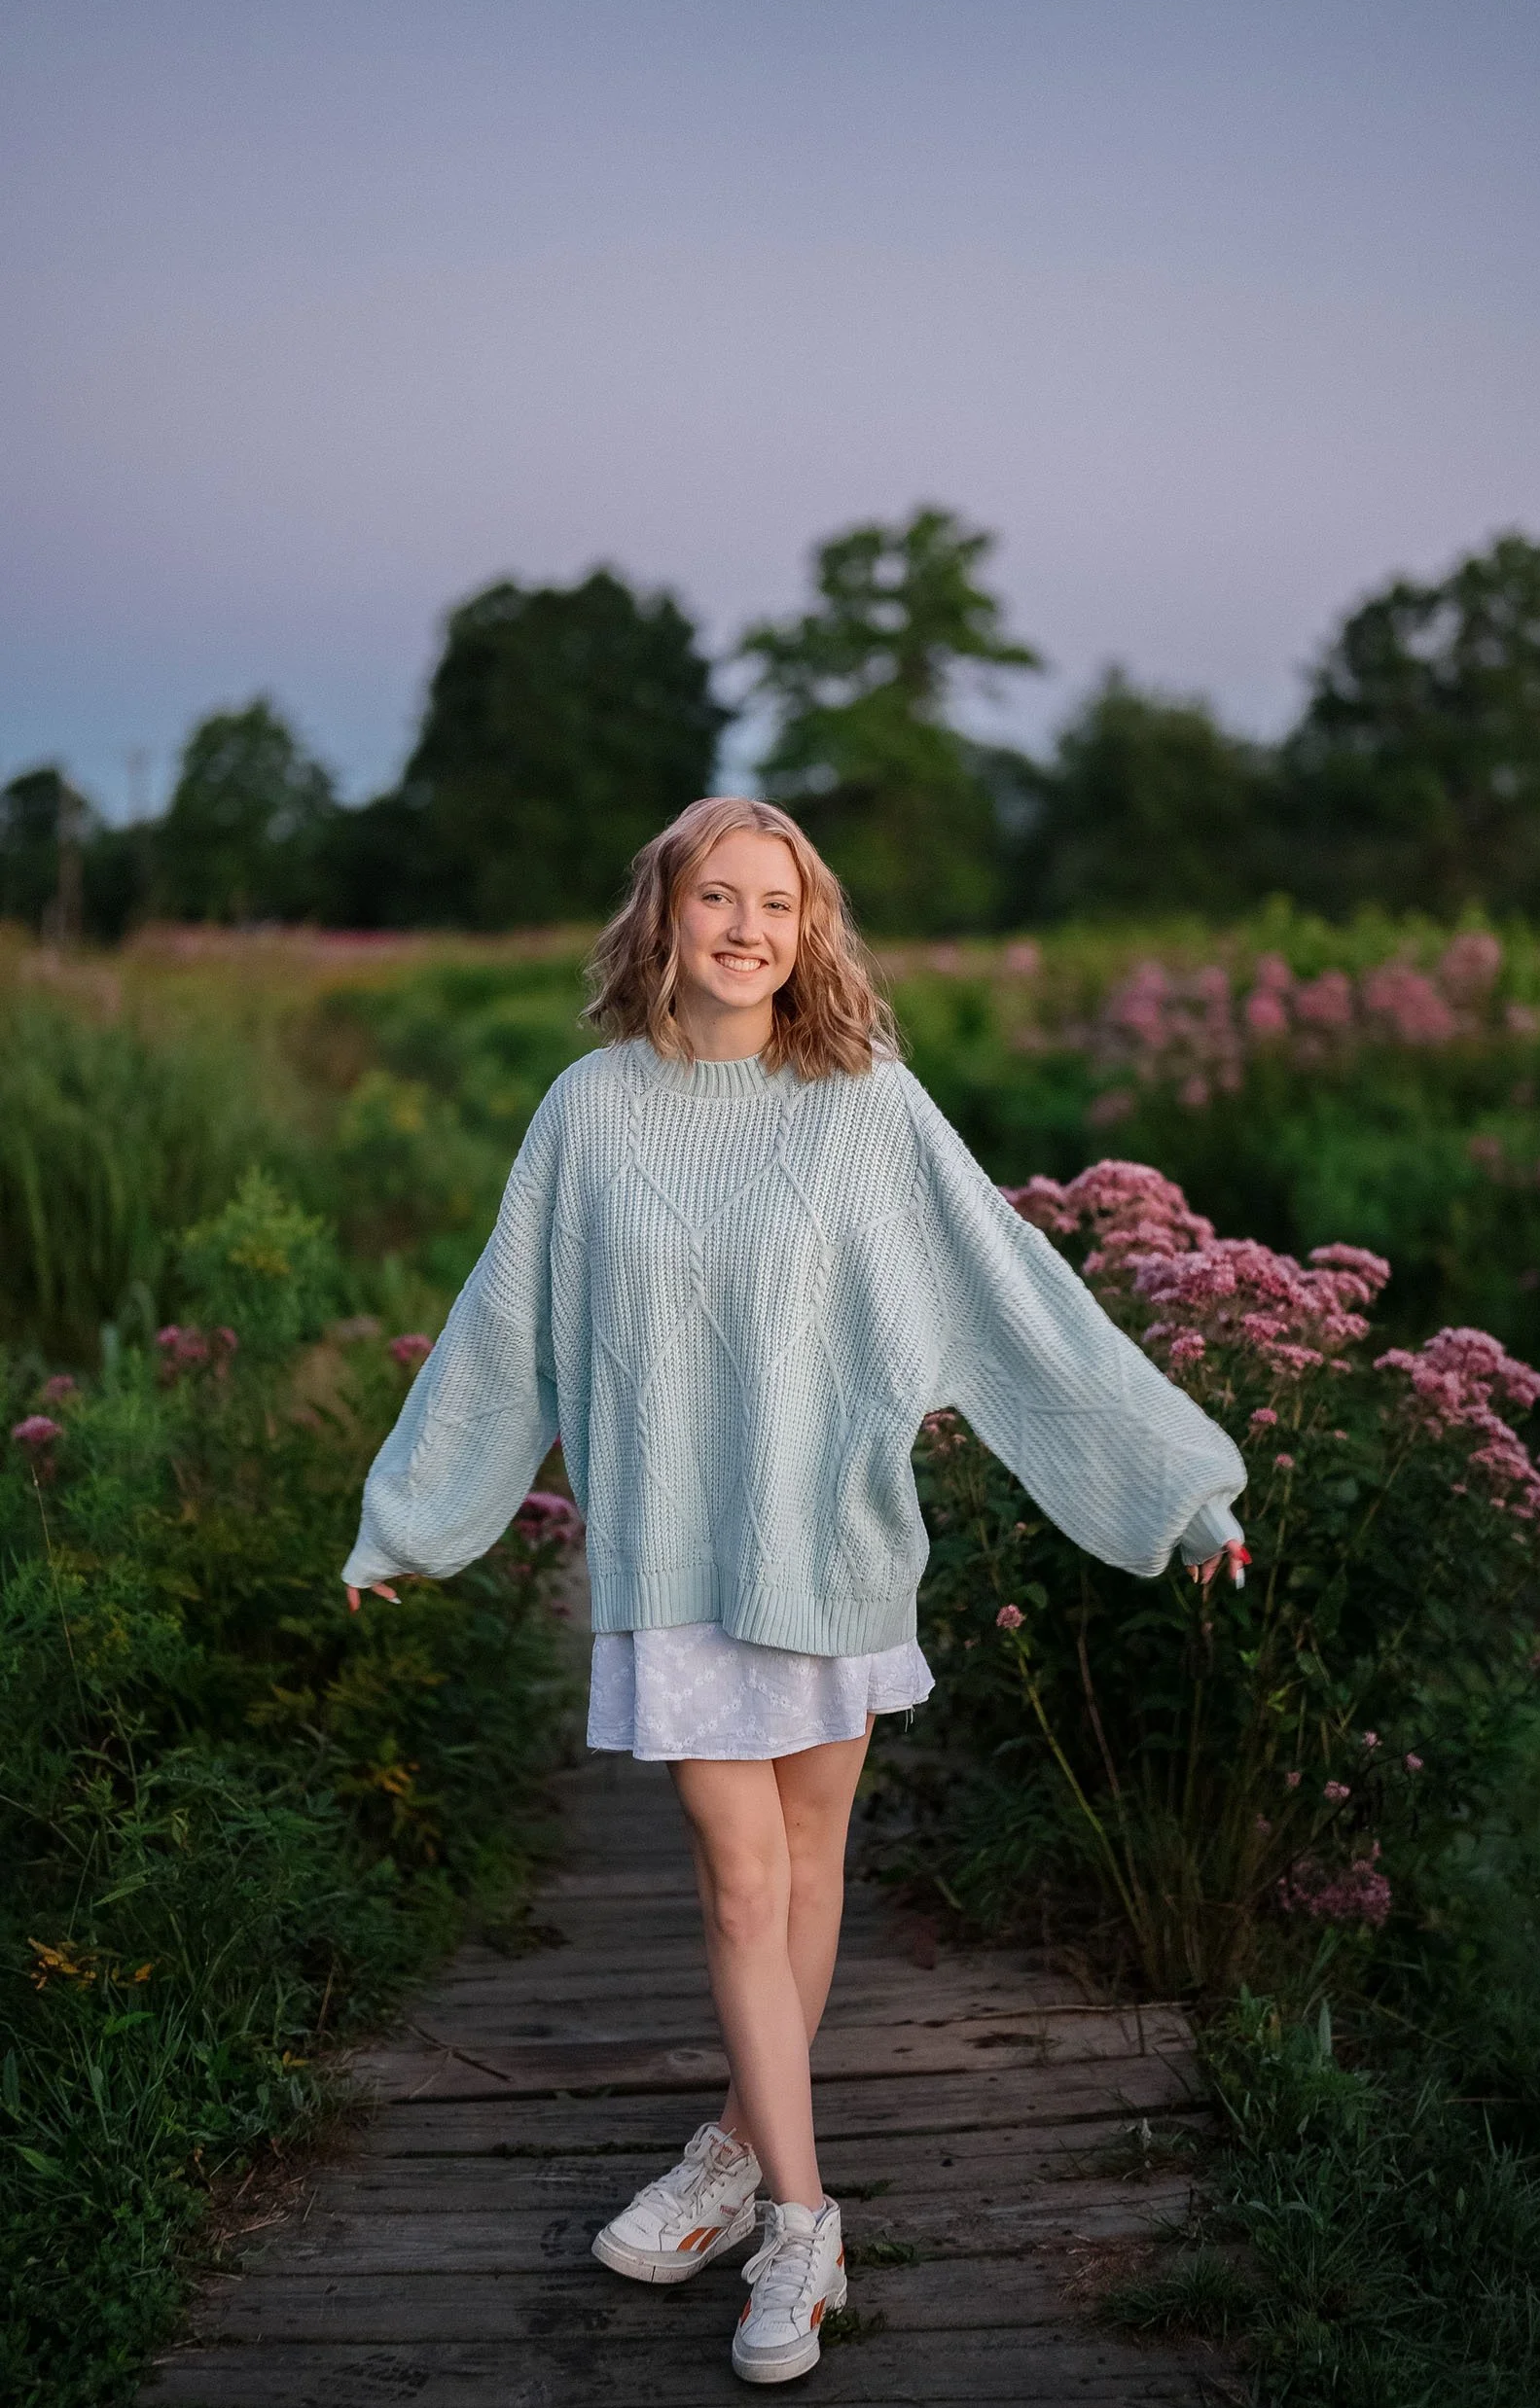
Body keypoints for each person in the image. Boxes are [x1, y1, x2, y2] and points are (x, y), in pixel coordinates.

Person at [342, 797, 1246, 2386]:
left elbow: (1017, 1299)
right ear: (663, 917)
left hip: (833, 1544)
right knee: (739, 1885)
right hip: (676, 1554)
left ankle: (727, 2151)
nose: (747, 927)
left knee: (805, 1872)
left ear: (808, 931)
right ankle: (803, 2225)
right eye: (718, 896)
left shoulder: (863, 1105)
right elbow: (502, 1331)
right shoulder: (587, 1111)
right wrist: (409, 1521)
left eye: (778, 902)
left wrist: (1179, 1488)